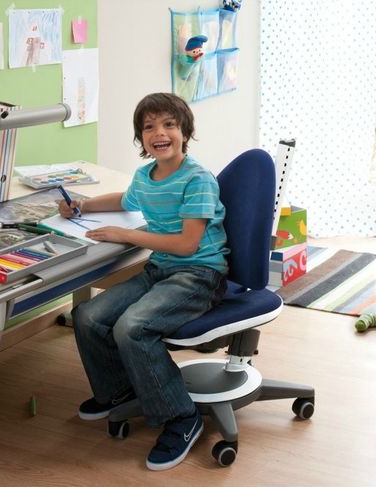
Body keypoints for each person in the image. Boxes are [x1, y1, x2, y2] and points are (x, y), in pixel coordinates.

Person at [60, 92, 229, 471]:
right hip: (160, 270)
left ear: (185, 131)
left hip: (199, 274)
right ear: (141, 137)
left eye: (169, 124)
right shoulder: (146, 176)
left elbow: (187, 245)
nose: (159, 133)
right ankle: (119, 392)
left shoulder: (198, 180)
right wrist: (81, 205)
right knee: (88, 315)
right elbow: (126, 199)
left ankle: (181, 417)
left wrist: (127, 235)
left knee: (132, 328)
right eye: (149, 127)